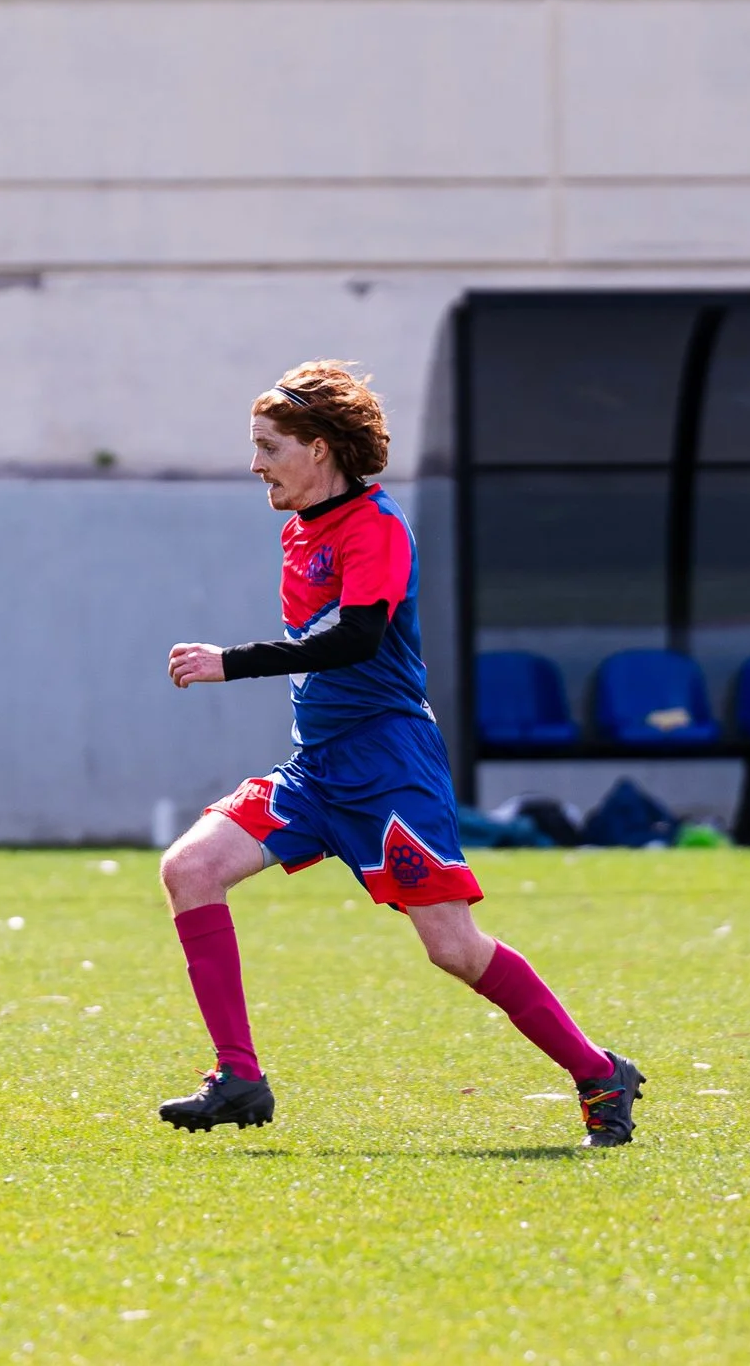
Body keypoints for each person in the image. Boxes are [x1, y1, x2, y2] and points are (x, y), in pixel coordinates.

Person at [156, 360, 642, 1145]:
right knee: (189, 868)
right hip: (315, 769)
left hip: (388, 771)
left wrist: (230, 661)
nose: (256, 465)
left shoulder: (378, 527)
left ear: (318, 448)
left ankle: (598, 1073)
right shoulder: (298, 530)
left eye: (268, 446)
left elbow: (359, 638)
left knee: (452, 947)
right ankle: (238, 1075)